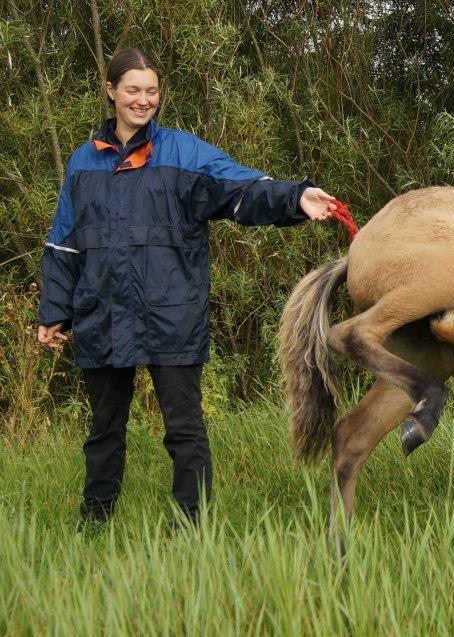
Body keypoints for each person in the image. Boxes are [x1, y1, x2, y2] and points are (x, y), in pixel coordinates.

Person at [36, 47, 338, 526]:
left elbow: (242, 188)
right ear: (111, 91)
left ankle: (191, 526)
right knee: (103, 429)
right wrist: (55, 311)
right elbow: (64, 242)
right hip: (102, 313)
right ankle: (94, 522)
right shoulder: (81, 163)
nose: (143, 100)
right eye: (133, 90)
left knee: (184, 428)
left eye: (151, 91)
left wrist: (294, 195)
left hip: (170, 313)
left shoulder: (184, 152)